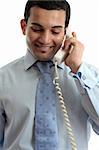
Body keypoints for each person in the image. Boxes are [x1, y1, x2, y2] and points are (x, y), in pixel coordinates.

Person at [0, 0, 99, 149]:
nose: (45, 39)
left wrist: (77, 68)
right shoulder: (3, 79)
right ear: (24, 26)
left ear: (67, 33)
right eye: (37, 29)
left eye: (55, 31)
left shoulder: (88, 78)